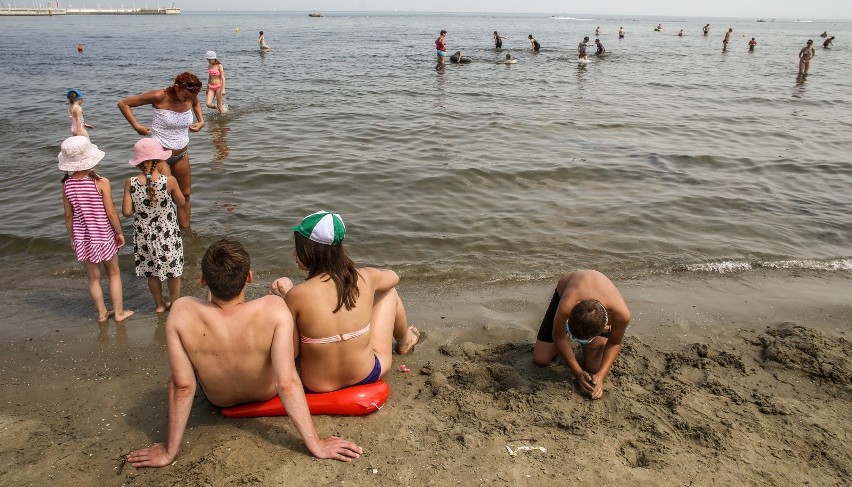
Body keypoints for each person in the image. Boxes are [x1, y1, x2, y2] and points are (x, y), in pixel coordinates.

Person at [126, 239, 362, 468]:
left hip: (220, 400)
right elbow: (287, 382)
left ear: (202, 280)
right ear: (249, 278)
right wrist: (316, 444)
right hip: (265, 393)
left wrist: (169, 452)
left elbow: (183, 386)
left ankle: (216, 294)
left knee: (179, 371)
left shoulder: (181, 312)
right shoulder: (273, 308)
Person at [268, 211, 420, 394]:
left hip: (316, 385)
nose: (294, 252)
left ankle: (402, 342)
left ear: (310, 251)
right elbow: (394, 277)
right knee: (388, 292)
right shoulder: (365, 277)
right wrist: (370, 279)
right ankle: (404, 342)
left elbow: (292, 353)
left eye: (298, 248)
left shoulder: (297, 295)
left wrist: (283, 300)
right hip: (366, 374)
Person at [58, 136, 133, 324]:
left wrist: (72, 238)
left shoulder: (66, 185)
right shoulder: (100, 182)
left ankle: (101, 314)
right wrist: (119, 232)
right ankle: (118, 313)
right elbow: (111, 212)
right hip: (103, 234)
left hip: (83, 237)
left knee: (93, 277)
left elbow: (68, 216)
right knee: (114, 273)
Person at [118, 72, 205, 229]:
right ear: (177, 87)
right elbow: (123, 103)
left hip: (182, 154)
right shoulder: (159, 96)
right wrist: (136, 126)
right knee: (162, 196)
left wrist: (201, 121)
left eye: (190, 98)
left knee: (185, 196)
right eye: (184, 97)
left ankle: (187, 233)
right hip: (159, 158)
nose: (187, 100)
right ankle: (163, 233)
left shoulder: (191, 96)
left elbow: (196, 103)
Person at [532, 270, 631, 400]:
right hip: (570, 286)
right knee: (541, 359)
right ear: (570, 315)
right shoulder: (566, 306)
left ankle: (592, 346)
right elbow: (559, 337)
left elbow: (615, 343)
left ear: (605, 328)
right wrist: (577, 373)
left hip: (602, 299)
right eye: (572, 335)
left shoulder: (621, 315)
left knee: (594, 367)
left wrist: (601, 377)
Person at [122, 139, 187, 313]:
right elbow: (181, 202)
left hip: (143, 234)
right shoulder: (170, 181)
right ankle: (175, 304)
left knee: (151, 272)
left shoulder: (131, 182)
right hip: (167, 233)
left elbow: (127, 212)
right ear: (158, 161)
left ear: (139, 163)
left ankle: (159, 305)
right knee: (173, 272)